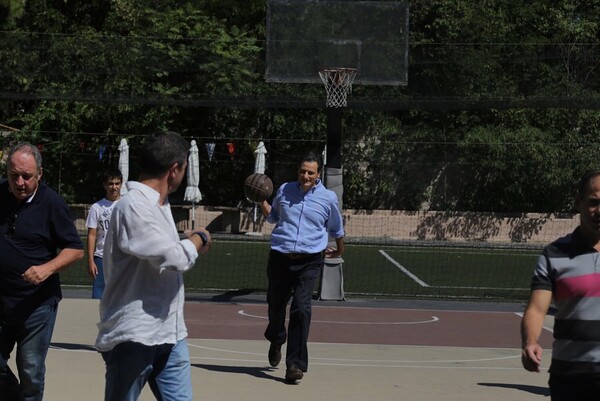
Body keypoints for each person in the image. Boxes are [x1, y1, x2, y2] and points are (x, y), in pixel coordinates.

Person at [95, 131, 211, 401]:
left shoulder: (160, 203)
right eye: (183, 168)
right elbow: (173, 258)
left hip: (170, 332)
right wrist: (198, 238)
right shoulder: (133, 206)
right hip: (134, 334)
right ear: (174, 170)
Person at [0, 142, 84, 401]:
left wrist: (47, 268)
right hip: (2, 301)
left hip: (36, 305)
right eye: (14, 176)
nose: (20, 182)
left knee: (31, 371)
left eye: (27, 176)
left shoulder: (52, 203)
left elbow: (75, 249)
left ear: (40, 175)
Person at [257, 151, 345, 384]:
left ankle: (295, 364)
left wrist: (340, 249)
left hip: (309, 260)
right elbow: (273, 217)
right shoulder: (285, 190)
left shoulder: (327, 198)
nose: (306, 176)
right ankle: (277, 339)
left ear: (318, 174)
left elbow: (336, 228)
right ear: (298, 171)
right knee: (276, 306)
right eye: (302, 171)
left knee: (301, 309)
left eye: (311, 172)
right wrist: (259, 199)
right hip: (280, 257)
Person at [521, 169, 600, 401]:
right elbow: (536, 309)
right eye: (594, 202)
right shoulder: (554, 254)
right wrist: (530, 342)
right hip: (570, 376)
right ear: (579, 203)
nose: (599, 211)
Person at [86, 169, 123, 299]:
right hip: (101, 257)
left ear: (121, 185)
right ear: (105, 185)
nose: (114, 187)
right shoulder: (96, 207)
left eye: (117, 183)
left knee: (121, 297)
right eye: (111, 184)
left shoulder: (127, 204)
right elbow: (92, 235)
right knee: (98, 298)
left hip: (121, 257)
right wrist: (91, 260)